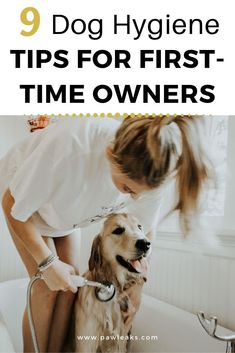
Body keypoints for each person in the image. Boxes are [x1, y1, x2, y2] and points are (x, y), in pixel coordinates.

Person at [0, 115, 211, 352]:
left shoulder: (153, 169)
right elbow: (11, 205)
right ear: (110, 154)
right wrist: (47, 263)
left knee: (69, 292)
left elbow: (147, 230)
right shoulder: (72, 145)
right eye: (128, 189)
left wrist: (137, 287)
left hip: (67, 213)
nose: (135, 199)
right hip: (25, 204)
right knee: (46, 290)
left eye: (140, 193)